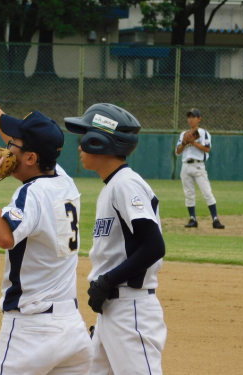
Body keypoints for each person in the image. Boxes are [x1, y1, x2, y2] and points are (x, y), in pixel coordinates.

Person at [0, 85, 93, 375]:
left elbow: (4, 235)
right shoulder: (64, 181)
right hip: (71, 327)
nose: (6, 149)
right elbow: (24, 145)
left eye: (13, 145)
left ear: (30, 158)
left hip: (31, 330)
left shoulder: (31, 194)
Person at [64, 103, 167, 375]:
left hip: (130, 311)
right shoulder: (113, 186)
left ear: (99, 142)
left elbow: (154, 245)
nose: (79, 146)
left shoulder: (125, 185)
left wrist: (107, 281)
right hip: (113, 310)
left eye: (84, 138)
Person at [176, 108, 225, 229]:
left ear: (199, 119)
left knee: (207, 192)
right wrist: (183, 143)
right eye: (189, 117)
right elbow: (177, 152)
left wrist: (193, 142)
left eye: (193, 117)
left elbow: (207, 149)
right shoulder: (183, 134)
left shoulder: (204, 133)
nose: (191, 119)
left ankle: (215, 219)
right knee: (189, 194)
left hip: (198, 166)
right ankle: (193, 219)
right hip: (185, 166)